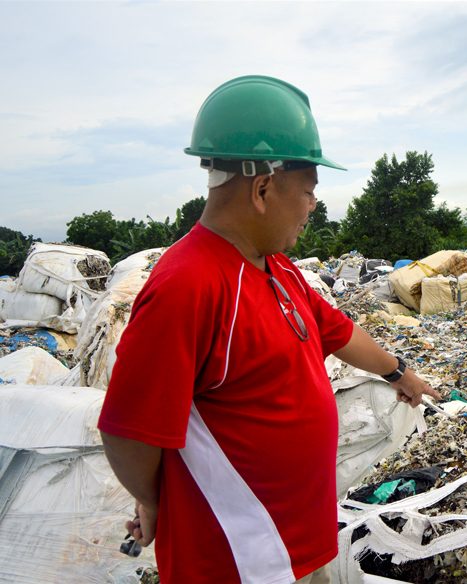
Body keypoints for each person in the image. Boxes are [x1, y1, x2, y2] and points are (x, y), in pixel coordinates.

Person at [98, 75, 440, 584]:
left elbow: (338, 332)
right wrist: (153, 502)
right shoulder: (188, 285)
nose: (313, 206)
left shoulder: (275, 269)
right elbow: (128, 430)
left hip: (300, 546)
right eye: (308, 191)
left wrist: (400, 374)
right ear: (262, 189)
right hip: (240, 561)